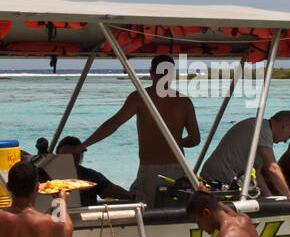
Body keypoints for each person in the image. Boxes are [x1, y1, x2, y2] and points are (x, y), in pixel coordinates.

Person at [79, 54, 200, 204]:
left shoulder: (140, 98)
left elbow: (113, 124)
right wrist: (175, 143)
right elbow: (195, 140)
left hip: (150, 170)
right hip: (178, 168)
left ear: (151, 73)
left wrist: (82, 146)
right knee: (175, 212)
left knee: (148, 215)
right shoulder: (184, 101)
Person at [200, 111, 290, 197]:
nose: (285, 141)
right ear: (285, 125)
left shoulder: (262, 130)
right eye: (289, 136)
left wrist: (269, 197)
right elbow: (272, 168)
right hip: (217, 182)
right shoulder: (263, 129)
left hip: (221, 179)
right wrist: (289, 198)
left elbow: (257, 174)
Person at [54, 137, 132, 206]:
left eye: (75, 154)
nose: (70, 158)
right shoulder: (48, 174)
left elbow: (111, 190)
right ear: (57, 155)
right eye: (66, 155)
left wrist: (132, 195)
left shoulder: (90, 175)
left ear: (81, 155)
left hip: (86, 217)